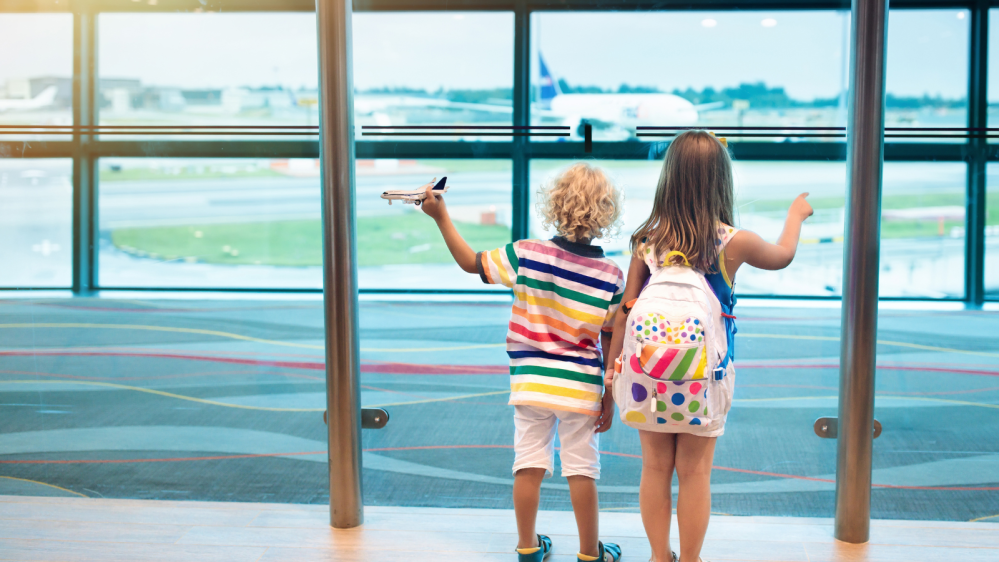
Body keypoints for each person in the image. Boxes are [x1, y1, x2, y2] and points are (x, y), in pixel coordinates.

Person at [604, 130, 813, 562]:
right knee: (696, 472)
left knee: (655, 469)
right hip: (704, 380)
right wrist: (796, 214)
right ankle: (692, 558)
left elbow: (627, 309)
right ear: (721, 180)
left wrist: (611, 376)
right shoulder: (730, 242)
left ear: (670, 179)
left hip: (646, 378)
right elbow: (783, 255)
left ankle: (661, 556)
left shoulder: (647, 241)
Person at [419, 163, 625, 562]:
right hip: (580, 386)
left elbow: (471, 262)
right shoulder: (611, 275)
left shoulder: (526, 253)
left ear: (554, 205)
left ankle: (528, 547)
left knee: (528, 462)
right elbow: (610, 336)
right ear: (607, 212)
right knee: (582, 468)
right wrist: (609, 394)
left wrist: (441, 216)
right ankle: (588, 554)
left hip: (529, 382)